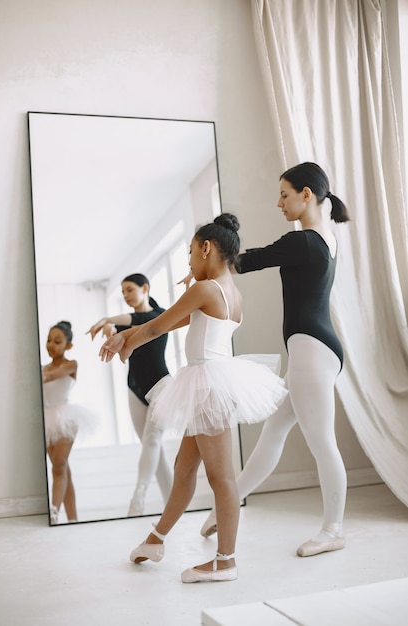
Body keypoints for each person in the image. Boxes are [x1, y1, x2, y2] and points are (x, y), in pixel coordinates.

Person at [99, 213, 287, 583]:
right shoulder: (229, 292)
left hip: (208, 387)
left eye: (189, 254)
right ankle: (156, 539)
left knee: (222, 479)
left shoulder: (205, 290)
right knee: (185, 471)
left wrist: (123, 340)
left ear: (206, 248)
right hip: (213, 384)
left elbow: (156, 325)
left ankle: (226, 561)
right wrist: (130, 336)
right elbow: (171, 320)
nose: (187, 262)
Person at [200, 162, 350, 558]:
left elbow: (250, 260)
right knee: (275, 431)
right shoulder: (326, 238)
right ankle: (226, 505)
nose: (278, 202)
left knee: (321, 442)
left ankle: (333, 529)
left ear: (306, 194)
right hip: (315, 348)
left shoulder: (303, 242)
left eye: (285, 194)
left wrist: (206, 265)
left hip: (312, 350)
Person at [87, 274, 173, 516]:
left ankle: (139, 495)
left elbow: (143, 320)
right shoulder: (124, 324)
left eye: (129, 290)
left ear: (145, 288)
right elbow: (117, 331)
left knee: (153, 441)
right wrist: (109, 328)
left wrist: (107, 319)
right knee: (153, 448)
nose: (125, 295)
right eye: (122, 292)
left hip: (162, 386)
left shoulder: (160, 315)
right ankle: (174, 506)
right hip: (134, 388)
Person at [42, 321, 80, 524]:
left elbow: (53, 376)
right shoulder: (42, 368)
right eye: (48, 340)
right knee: (62, 469)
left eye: (57, 341)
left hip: (66, 417)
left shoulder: (71, 365)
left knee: (60, 464)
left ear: (68, 345)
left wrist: (41, 376)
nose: (51, 345)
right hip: (47, 419)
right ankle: (73, 518)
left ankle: (54, 512)